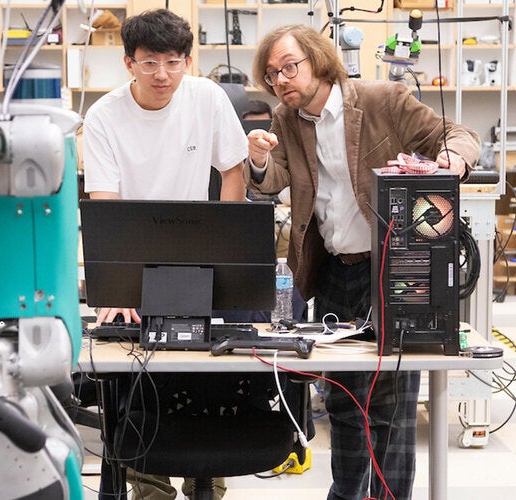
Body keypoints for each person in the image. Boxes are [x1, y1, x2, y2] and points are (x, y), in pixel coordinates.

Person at [244, 25, 480, 500]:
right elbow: (273, 181)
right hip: (332, 272)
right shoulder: (285, 120)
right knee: (343, 400)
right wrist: (258, 160)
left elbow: (459, 135)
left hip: (391, 269)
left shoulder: (381, 100)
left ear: (318, 60)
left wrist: (448, 163)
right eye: (271, 75)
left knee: (391, 406)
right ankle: (349, 494)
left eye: (289, 67)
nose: (281, 80)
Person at [82, 9, 253, 500]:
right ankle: (150, 485)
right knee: (142, 387)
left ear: (188, 61)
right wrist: (118, 287)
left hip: (200, 260)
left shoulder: (207, 97)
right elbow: (106, 208)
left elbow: (234, 170)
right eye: (150, 62)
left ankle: (208, 484)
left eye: (174, 62)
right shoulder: (104, 116)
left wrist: (227, 251)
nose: (163, 74)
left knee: (209, 385)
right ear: (128, 63)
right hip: (134, 266)